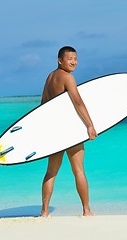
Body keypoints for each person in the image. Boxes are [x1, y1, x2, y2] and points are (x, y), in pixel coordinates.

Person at [40, 46, 97, 217]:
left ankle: (44, 211)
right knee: (78, 170)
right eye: (70, 58)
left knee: (51, 172)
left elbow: (43, 104)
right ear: (60, 60)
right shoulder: (68, 78)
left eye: (75, 58)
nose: (74, 62)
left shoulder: (50, 77)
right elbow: (78, 102)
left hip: (54, 131)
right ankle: (86, 210)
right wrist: (89, 125)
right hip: (69, 131)